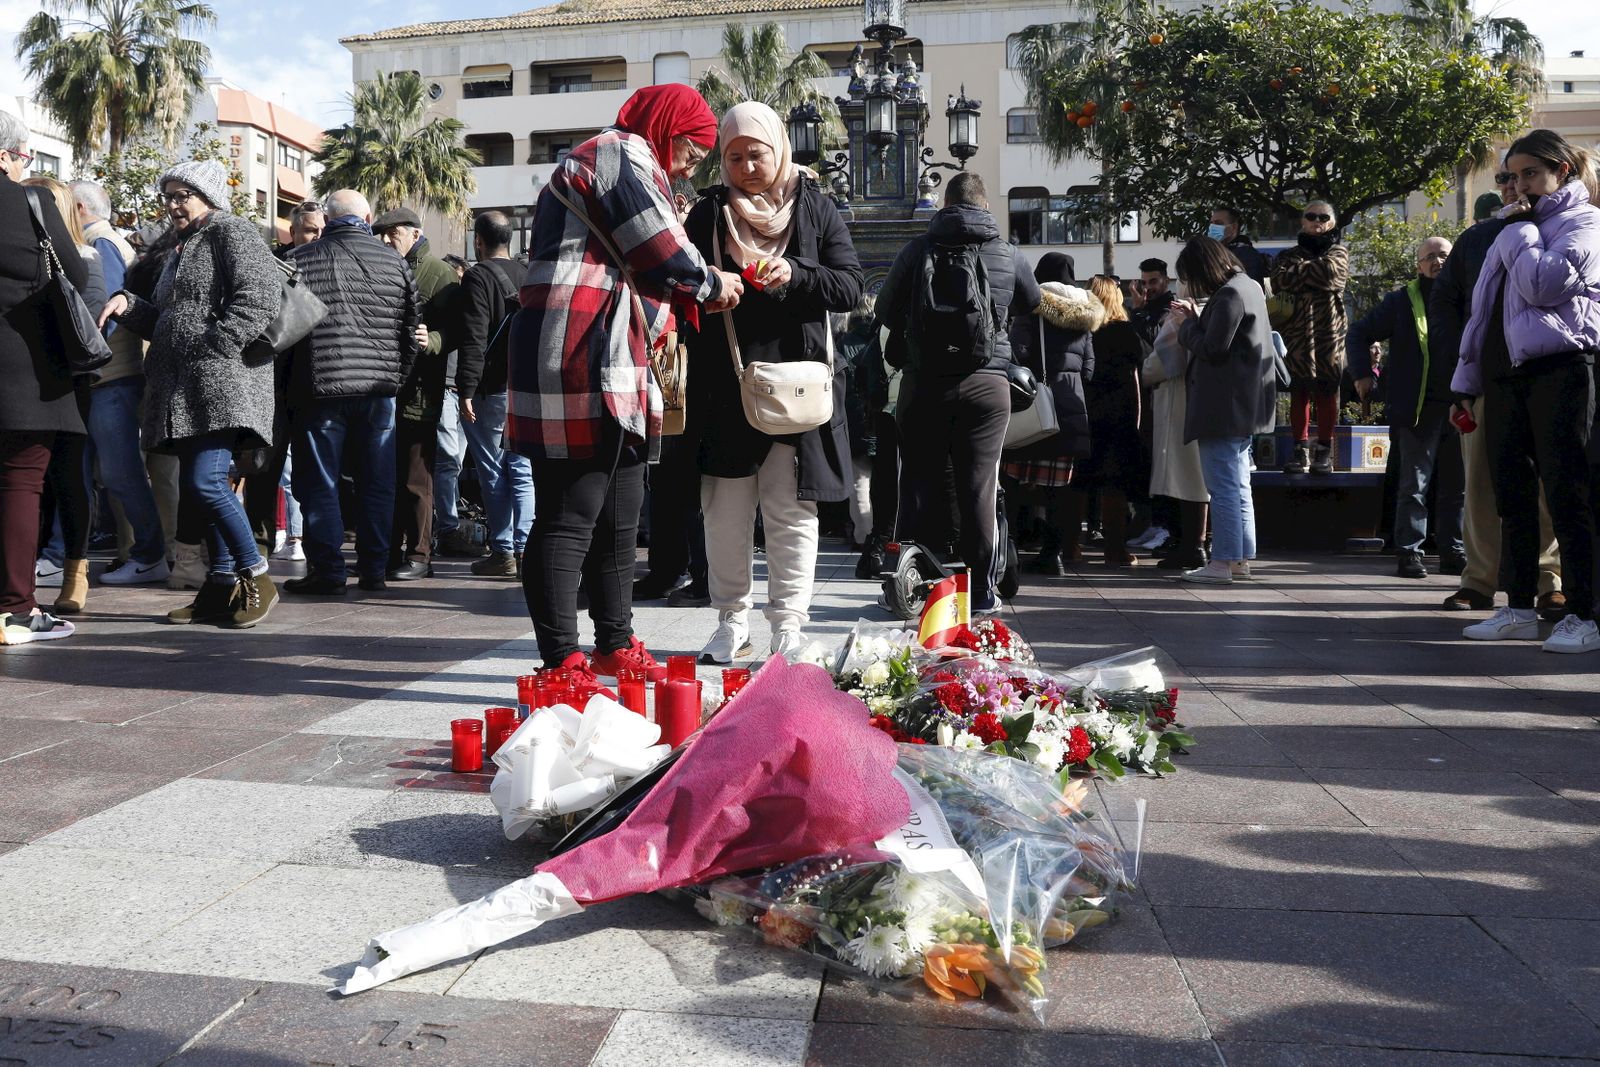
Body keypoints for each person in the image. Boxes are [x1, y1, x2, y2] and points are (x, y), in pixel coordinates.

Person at [506, 83, 743, 684]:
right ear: (668, 128)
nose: (693, 163)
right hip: (578, 349)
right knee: (570, 513)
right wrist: (715, 283)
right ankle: (561, 660)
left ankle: (614, 641)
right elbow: (662, 251)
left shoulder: (635, 164)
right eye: (693, 148)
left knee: (619, 512)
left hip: (612, 354)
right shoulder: (617, 152)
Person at [682, 100, 862, 663]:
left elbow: (851, 286)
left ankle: (789, 625)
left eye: (755, 154)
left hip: (795, 388)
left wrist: (797, 273)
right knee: (725, 511)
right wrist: (707, 293)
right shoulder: (707, 214)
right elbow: (679, 285)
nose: (745, 167)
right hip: (723, 384)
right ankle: (730, 621)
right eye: (732, 157)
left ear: (778, 149)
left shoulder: (815, 208)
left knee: (790, 512)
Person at [99, 160, 284, 628]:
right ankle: (220, 585)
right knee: (202, 489)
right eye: (170, 196)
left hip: (222, 384)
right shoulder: (184, 247)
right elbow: (168, 318)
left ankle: (257, 575)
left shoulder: (230, 231)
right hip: (188, 390)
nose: (174, 205)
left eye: (184, 195)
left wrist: (217, 346)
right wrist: (130, 306)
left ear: (209, 196)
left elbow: (259, 296)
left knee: (205, 484)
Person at [1452, 129, 1599, 653]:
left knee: (1566, 495)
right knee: (1511, 498)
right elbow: (1482, 315)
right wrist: (1465, 384)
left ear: (1562, 171)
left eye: (1532, 174)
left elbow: (1546, 286)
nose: (1520, 186)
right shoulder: (1516, 228)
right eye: (1513, 176)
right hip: (1504, 376)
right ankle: (1515, 607)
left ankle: (1583, 614)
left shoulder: (1583, 222)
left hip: (1560, 369)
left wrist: (1517, 234)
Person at [875, 172, 1041, 613]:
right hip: (987, 384)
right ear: (985, 207)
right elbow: (1034, 302)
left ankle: (920, 583)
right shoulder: (1008, 252)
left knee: (917, 483)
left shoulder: (916, 250)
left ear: (946, 205)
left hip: (924, 384)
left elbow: (883, 309)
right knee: (979, 486)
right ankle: (982, 591)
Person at [1430, 165, 1564, 617]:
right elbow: (1446, 310)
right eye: (1504, 179)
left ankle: (1551, 582)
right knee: (1479, 484)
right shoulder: (1476, 239)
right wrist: (1458, 383)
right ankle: (1478, 581)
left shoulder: (1561, 230)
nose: (1511, 186)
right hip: (1486, 382)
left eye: (1522, 177)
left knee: (1548, 485)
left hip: (1547, 378)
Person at [282, 189, 420, 595]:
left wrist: (288, 391)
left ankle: (327, 570)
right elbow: (410, 334)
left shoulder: (299, 260)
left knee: (319, 483)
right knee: (377, 483)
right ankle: (374, 569)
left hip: (319, 388)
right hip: (379, 390)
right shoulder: (396, 262)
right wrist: (396, 377)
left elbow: (284, 335)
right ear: (368, 216)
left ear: (327, 219)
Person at [0, 114, 85, 643]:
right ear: (5, 154)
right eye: (23, 156)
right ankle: (15, 610)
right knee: (21, 484)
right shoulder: (32, 204)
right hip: (24, 370)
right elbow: (73, 277)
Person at [69, 178, 168, 588]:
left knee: (120, 472)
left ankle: (149, 554)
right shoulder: (109, 242)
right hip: (110, 374)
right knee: (110, 471)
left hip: (110, 376)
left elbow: (104, 313)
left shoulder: (101, 245)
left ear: (79, 209)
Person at [1349, 237, 1463, 580]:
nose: (1437, 262)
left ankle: (1453, 551)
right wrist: (1363, 375)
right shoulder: (1401, 301)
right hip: (1417, 408)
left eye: (1444, 255)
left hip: (1460, 403)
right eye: (1429, 257)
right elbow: (1358, 332)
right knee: (1414, 483)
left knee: (1456, 487)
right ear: (1419, 266)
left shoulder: (1467, 296)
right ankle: (1410, 552)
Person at [1171, 236, 1276, 584]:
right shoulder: (1249, 287)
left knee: (1224, 486)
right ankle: (1241, 558)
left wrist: (1185, 326)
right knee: (1238, 483)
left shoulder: (1229, 294)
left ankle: (1223, 562)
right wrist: (1199, 317)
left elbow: (1214, 349)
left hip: (1222, 405)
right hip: (1244, 404)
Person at [25, 176, 105, 615]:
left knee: (69, 477)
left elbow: (87, 324)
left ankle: (77, 570)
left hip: (72, 381)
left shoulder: (88, 257)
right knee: (35, 481)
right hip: (32, 379)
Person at [374, 207, 459, 581]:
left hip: (420, 391)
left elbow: (460, 329)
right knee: (386, 478)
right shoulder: (390, 266)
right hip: (386, 388)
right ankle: (390, 551)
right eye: (384, 235)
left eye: (393, 234)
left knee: (416, 478)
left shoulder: (438, 272)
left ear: (411, 232)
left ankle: (420, 554)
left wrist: (435, 339)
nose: (387, 241)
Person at [1001, 253, 1099, 574]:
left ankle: (1010, 548)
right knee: (1060, 490)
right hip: (1071, 412)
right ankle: (1053, 554)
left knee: (1014, 482)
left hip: (1036, 410)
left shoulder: (1032, 309)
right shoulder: (1086, 316)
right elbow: (1088, 369)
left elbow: (1017, 355)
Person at [454, 210, 533, 579]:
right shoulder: (529, 274)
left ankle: (503, 551)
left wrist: (466, 388)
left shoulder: (476, 277)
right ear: (510, 240)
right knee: (522, 469)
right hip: (525, 387)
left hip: (490, 388)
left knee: (493, 470)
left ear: (478, 242)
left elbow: (472, 337)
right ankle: (527, 547)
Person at [1073, 274, 1147, 566]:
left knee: (1078, 483)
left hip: (1084, 413)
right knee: (1114, 485)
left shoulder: (1081, 330)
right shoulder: (1125, 333)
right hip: (1118, 416)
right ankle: (1115, 551)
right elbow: (1135, 378)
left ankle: (1071, 548)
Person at [1273, 200, 1349, 475]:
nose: (1317, 220)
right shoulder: (1287, 255)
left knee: (1328, 391)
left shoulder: (1339, 252)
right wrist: (1314, 272)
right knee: (1299, 393)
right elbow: (1280, 280)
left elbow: (1332, 274)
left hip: (1330, 334)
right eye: (1311, 216)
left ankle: (1324, 452)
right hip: (1296, 334)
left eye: (1323, 216)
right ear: (1302, 221)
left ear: (1332, 222)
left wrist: (1301, 274)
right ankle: (1299, 450)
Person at [1143, 290, 1210, 572]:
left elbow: (1157, 364)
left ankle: (1192, 546)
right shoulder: (1215, 311)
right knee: (1202, 479)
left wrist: (1144, 369)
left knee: (1187, 479)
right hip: (1204, 400)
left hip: (1179, 403)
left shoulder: (1180, 318)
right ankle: (1201, 544)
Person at [1208, 206, 1272, 286]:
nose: (1212, 227)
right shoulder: (1214, 252)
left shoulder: (1247, 255)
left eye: (1218, 223)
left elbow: (1247, 289)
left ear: (1234, 227)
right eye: (1211, 223)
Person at [1129, 257, 1176, 347]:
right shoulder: (1145, 306)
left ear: (1166, 281)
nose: (1148, 287)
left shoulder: (1171, 308)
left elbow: (1155, 338)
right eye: (1144, 283)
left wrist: (1137, 311)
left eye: (1153, 282)